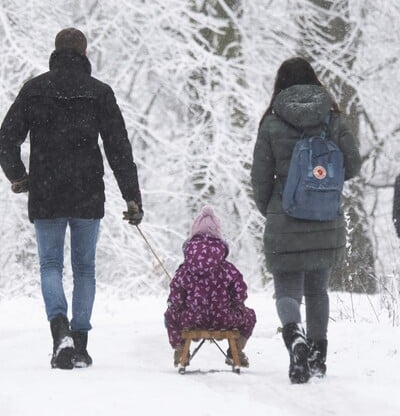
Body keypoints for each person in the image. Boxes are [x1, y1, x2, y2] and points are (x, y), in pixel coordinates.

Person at [0, 28, 143, 369]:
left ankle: (59, 331)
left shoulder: (35, 90)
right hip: (86, 192)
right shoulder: (99, 93)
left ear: (56, 51)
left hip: (47, 191)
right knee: (85, 268)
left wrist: (19, 177)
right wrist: (132, 198)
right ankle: (79, 342)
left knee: (51, 265)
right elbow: (118, 149)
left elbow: (6, 139)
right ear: (84, 53)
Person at [250, 57, 361, 384]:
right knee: (317, 291)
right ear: (315, 81)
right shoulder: (333, 119)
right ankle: (318, 357)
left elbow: (259, 177)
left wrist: (271, 208)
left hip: (284, 216)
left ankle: (294, 338)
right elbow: (352, 166)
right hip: (325, 217)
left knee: (286, 288)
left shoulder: (271, 123)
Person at [164, 206, 256, 368]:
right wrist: (234, 305)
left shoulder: (185, 268)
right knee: (250, 316)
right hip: (224, 318)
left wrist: (181, 306)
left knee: (170, 315)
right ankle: (236, 352)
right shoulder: (227, 268)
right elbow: (240, 293)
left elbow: (176, 299)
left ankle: (180, 351)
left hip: (191, 318)